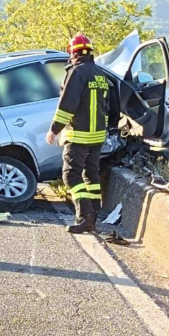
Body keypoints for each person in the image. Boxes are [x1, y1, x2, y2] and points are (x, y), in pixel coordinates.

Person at [46, 33, 125, 240]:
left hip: (78, 135)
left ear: (72, 53)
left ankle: (84, 217)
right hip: (98, 137)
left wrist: (54, 129)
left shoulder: (77, 72)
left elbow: (67, 104)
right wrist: (111, 127)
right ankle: (93, 217)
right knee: (91, 175)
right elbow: (114, 105)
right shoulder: (101, 74)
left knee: (71, 175)